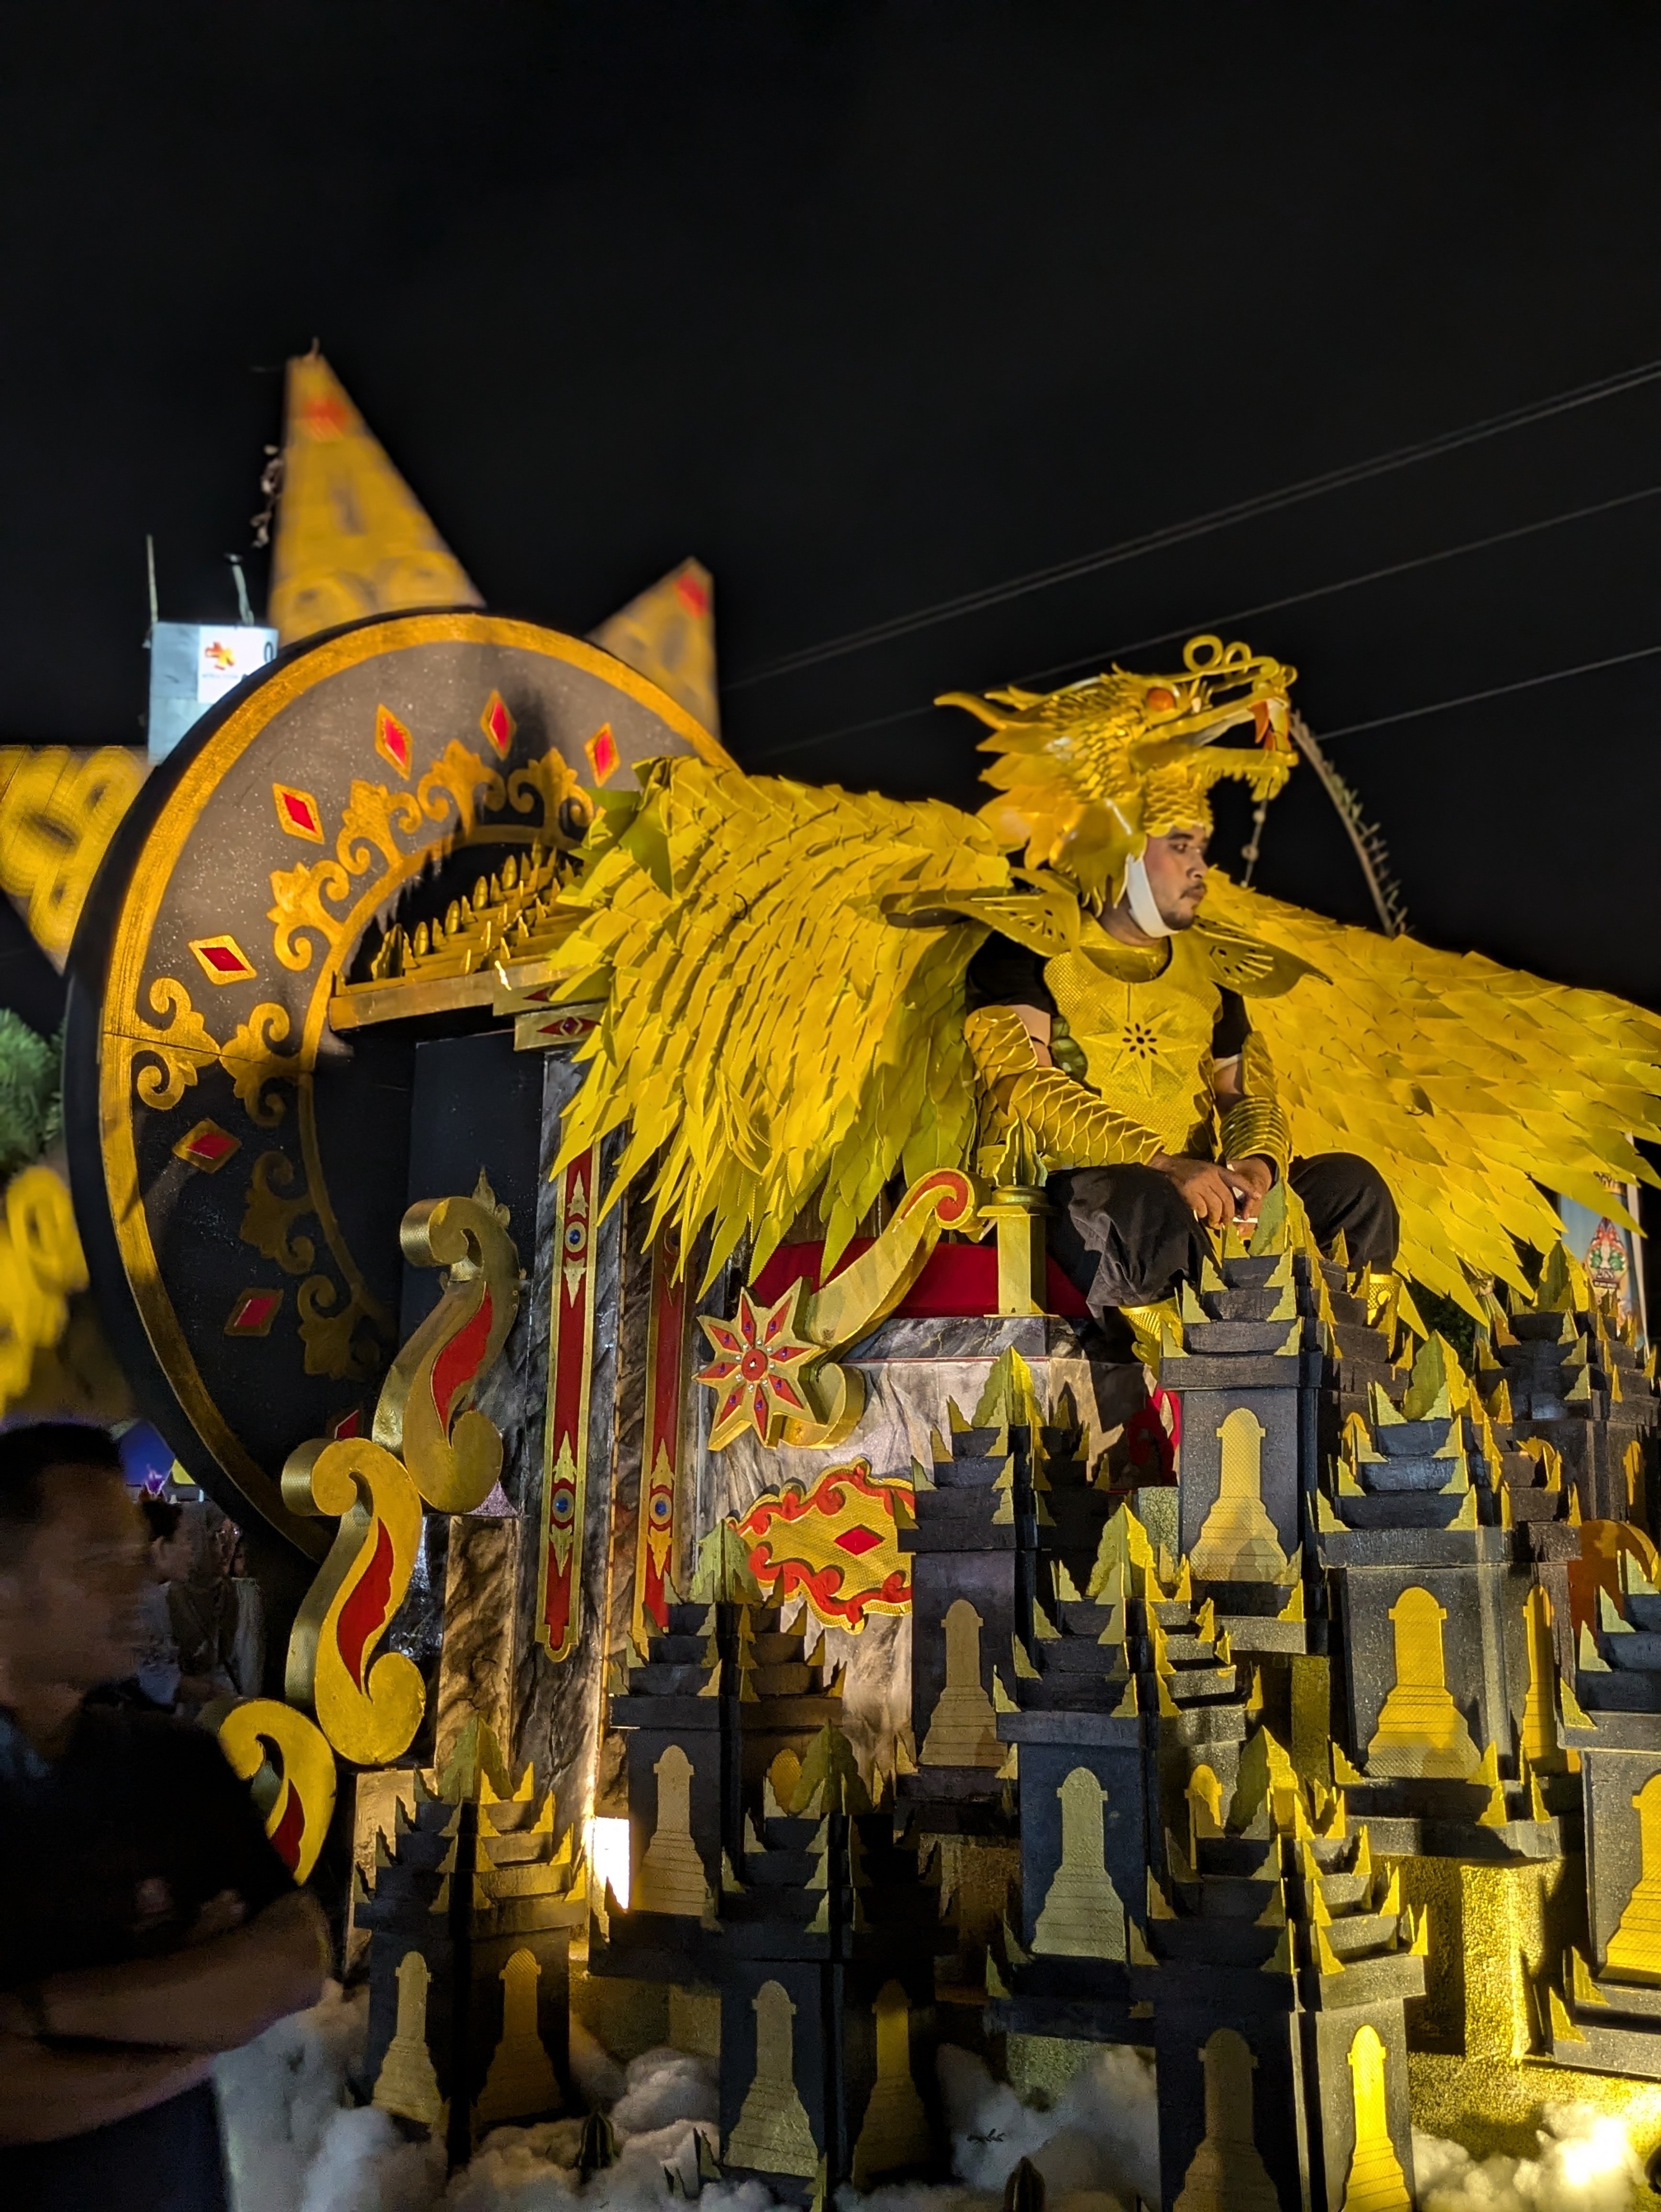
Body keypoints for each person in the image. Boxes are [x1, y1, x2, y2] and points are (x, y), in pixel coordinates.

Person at [0, 1423, 329, 2211]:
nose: (136, 1582)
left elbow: (295, 1957)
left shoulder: (174, 1765)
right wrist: (189, 2024)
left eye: (134, 1552)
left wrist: (44, 2009)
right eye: (96, 1560)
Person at [965, 817, 1398, 1323]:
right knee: (1145, 1207)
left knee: (1354, 1189)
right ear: (1118, 852)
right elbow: (1025, 1086)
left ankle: (1351, 1357)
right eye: (1180, 847)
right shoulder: (1030, 943)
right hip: (1081, 1191)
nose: (1200, 867)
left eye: (1201, 849)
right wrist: (1164, 1166)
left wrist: (1256, 1170)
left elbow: (1241, 1093)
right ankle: (1211, 1366)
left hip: (1201, 1187)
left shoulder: (1213, 963)